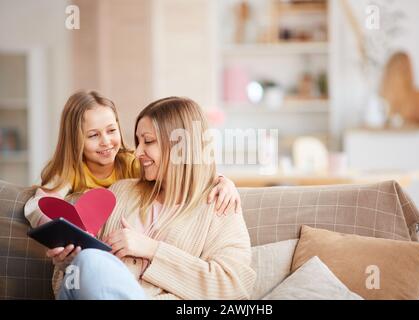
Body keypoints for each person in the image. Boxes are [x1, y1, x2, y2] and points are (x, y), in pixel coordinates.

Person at [49, 97, 256, 299]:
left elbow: (233, 287)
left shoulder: (220, 205)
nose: (138, 152)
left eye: (148, 141)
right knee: (88, 260)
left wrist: (151, 249)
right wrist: (68, 262)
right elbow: (71, 283)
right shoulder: (120, 193)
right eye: (138, 141)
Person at [24, 91, 241, 228]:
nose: (106, 141)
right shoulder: (68, 171)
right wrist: (58, 226)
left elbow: (183, 173)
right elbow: (40, 206)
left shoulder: (133, 162)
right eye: (93, 135)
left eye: (111, 130)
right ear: (74, 140)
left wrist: (223, 181)